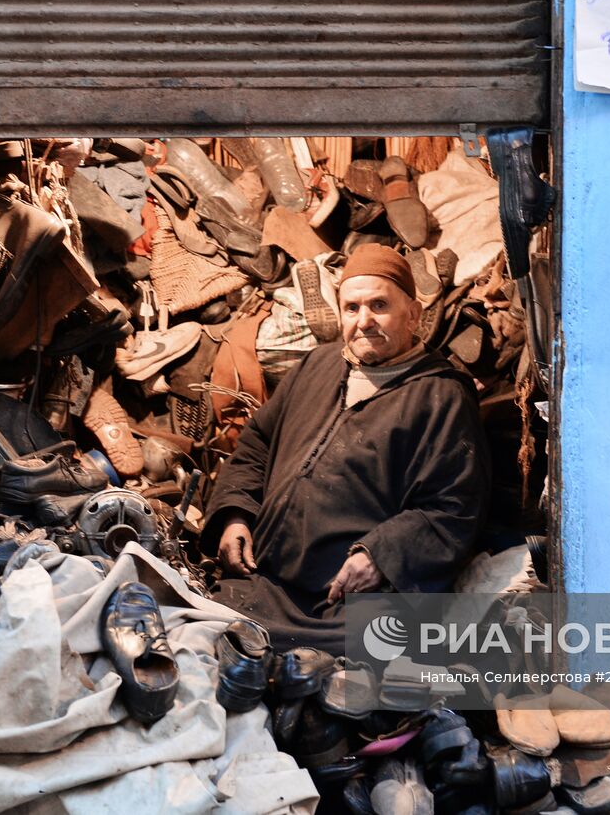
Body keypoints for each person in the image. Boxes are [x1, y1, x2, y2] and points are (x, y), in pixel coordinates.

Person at [200, 244, 489, 651]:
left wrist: (379, 555)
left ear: (413, 315)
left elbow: (452, 507)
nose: (364, 321)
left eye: (379, 306)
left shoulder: (441, 396)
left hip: (344, 600)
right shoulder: (317, 365)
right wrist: (234, 514)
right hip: (264, 582)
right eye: (352, 308)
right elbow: (256, 446)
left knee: (359, 665)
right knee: (202, 634)